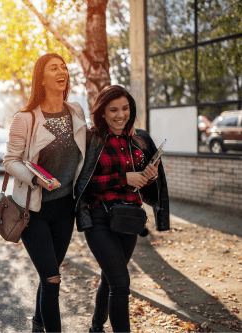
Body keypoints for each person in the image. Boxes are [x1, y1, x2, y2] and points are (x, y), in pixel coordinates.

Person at [74, 85, 170, 332]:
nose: (120, 114)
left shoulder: (139, 139)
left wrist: (148, 177)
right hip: (98, 216)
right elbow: (82, 184)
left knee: (110, 279)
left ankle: (96, 327)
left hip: (128, 216)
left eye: (125, 108)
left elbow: (145, 182)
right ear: (102, 113)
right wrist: (123, 178)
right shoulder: (90, 138)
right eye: (113, 109)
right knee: (120, 283)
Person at [3, 53, 87, 332]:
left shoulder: (75, 111)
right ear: (41, 78)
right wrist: (35, 178)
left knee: (48, 274)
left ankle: (38, 322)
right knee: (52, 279)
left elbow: (89, 144)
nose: (62, 71)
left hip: (65, 209)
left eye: (63, 67)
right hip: (33, 210)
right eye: (54, 68)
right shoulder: (25, 118)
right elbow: (10, 161)